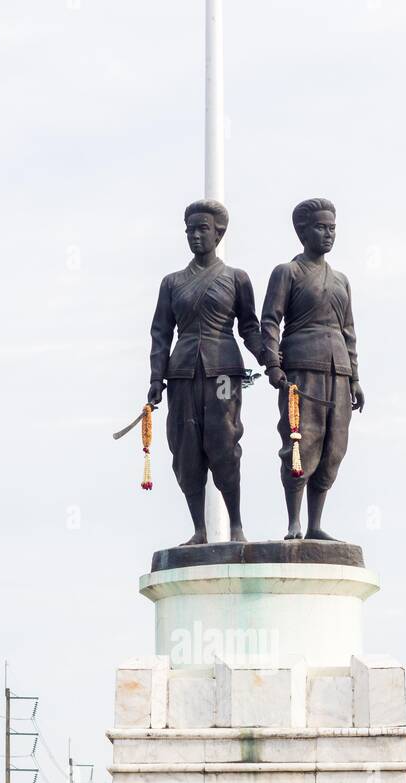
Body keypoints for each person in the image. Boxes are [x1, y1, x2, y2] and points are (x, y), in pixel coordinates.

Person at [149, 201, 265, 545]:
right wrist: (156, 378)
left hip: (224, 374)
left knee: (224, 441)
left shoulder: (236, 278)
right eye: (190, 230)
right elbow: (160, 333)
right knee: (185, 447)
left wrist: (270, 359)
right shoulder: (171, 283)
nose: (195, 236)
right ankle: (199, 530)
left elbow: (250, 327)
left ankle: (236, 525)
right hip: (183, 373)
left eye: (202, 229)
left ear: (219, 232)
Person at [261, 198, 364, 541]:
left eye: (332, 228)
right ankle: (294, 522)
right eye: (320, 227)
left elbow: (348, 330)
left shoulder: (341, 281)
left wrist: (356, 377)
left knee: (333, 448)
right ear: (302, 231)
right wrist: (273, 363)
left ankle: (316, 524)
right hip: (301, 369)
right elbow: (270, 321)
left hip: (339, 371)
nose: (328, 234)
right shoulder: (287, 273)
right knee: (300, 443)